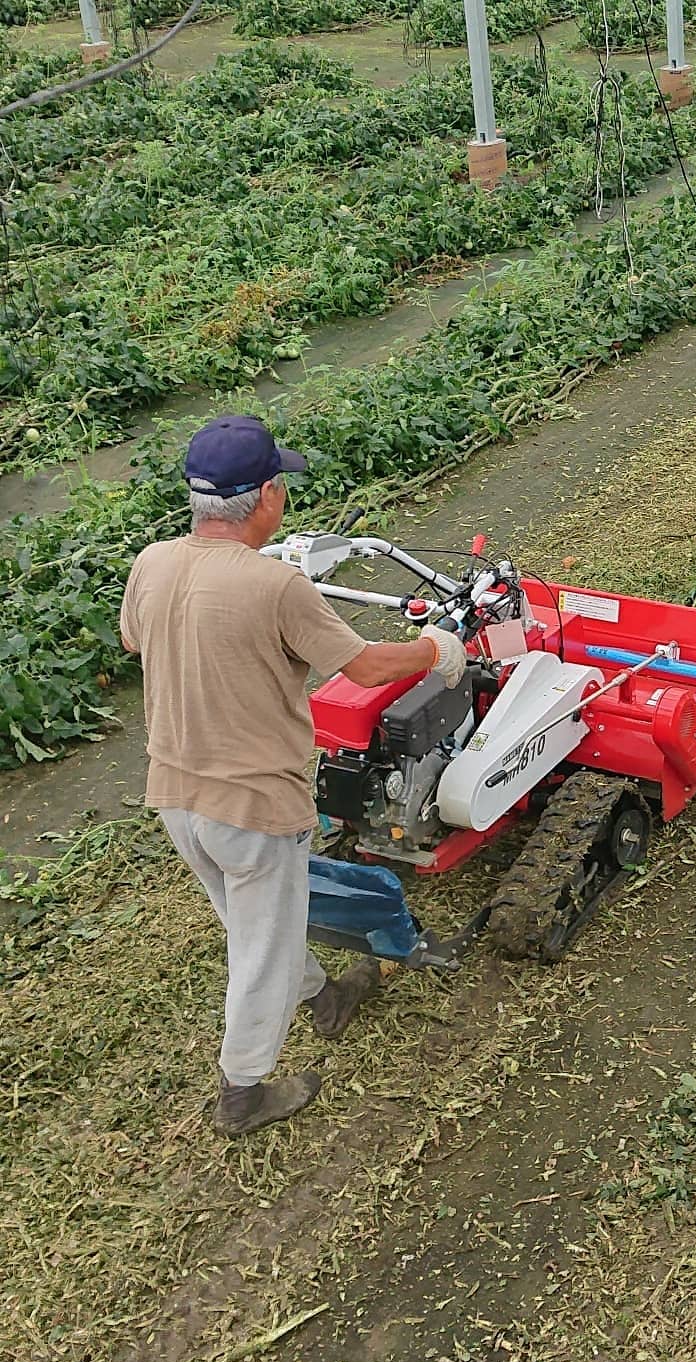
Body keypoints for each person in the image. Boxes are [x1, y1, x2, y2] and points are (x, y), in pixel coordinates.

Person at [119, 416, 467, 1138]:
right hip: (248, 803)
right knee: (261, 942)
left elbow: (134, 637)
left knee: (254, 919)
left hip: (175, 792)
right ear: (269, 496)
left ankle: (325, 999)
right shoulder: (275, 587)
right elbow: (366, 666)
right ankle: (243, 1093)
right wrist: (434, 648)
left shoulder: (152, 562)